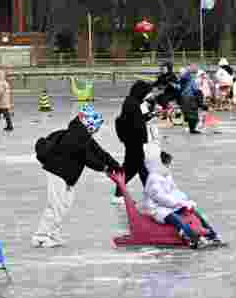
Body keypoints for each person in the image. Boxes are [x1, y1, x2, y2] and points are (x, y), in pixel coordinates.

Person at [32, 105, 121, 248]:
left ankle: (52, 233)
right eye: (96, 127)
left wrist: (115, 165)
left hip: (66, 176)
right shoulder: (76, 136)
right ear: (89, 123)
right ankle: (41, 236)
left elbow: (99, 152)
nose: (97, 130)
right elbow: (87, 157)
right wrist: (104, 168)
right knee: (57, 206)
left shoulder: (83, 136)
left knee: (64, 205)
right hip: (57, 173)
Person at [140, 143, 221, 248]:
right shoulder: (153, 179)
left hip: (171, 205)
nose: (169, 166)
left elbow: (174, 190)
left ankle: (211, 235)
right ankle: (192, 238)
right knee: (176, 219)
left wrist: (185, 201)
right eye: (166, 164)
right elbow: (160, 197)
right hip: (158, 209)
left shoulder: (166, 175)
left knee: (194, 212)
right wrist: (177, 203)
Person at [113, 80, 155, 204]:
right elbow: (135, 124)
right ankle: (118, 194)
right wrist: (143, 137)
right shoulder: (131, 104)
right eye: (147, 92)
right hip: (133, 141)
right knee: (131, 168)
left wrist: (150, 115)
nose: (148, 95)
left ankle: (150, 192)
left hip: (134, 141)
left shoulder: (134, 102)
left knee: (140, 167)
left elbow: (140, 119)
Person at [177, 65, 205, 134]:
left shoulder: (183, 80)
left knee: (190, 115)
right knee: (192, 114)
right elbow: (195, 89)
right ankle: (192, 129)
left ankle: (192, 128)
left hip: (184, 98)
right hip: (189, 98)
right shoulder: (188, 79)